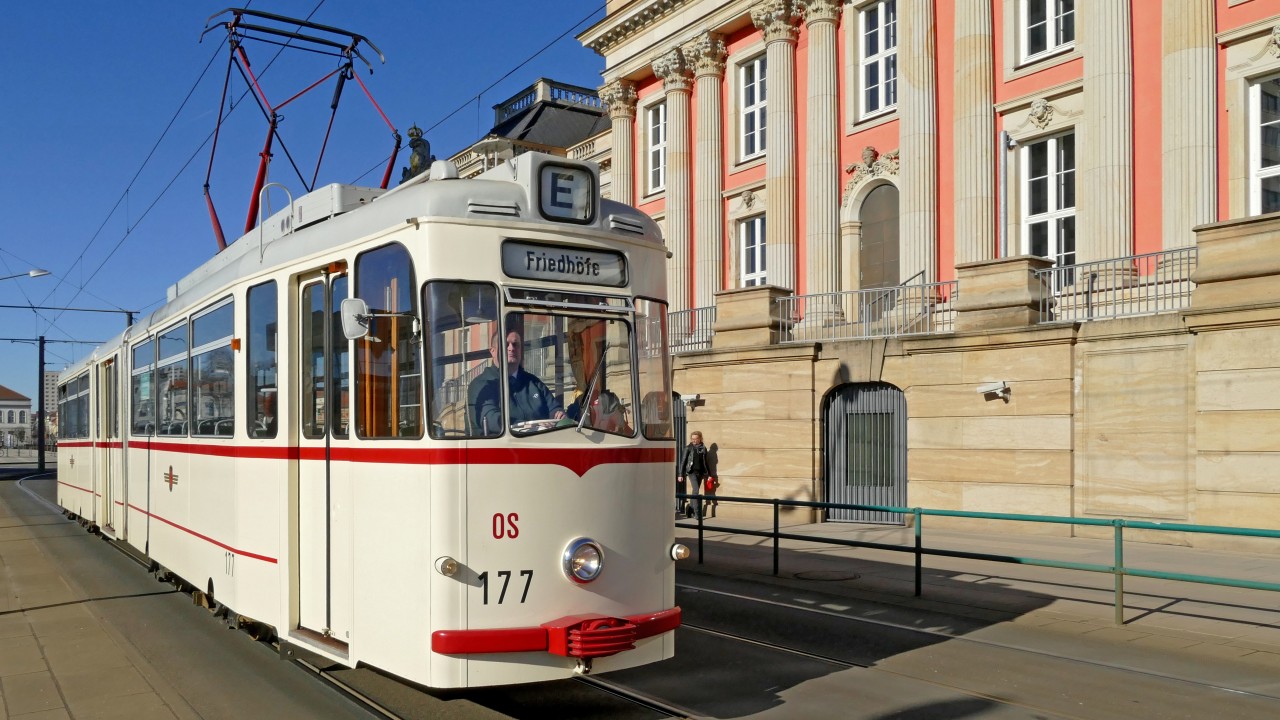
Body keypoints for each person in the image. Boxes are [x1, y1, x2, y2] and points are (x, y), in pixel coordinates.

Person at [469, 327, 565, 434]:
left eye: (516, 345)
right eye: (506, 345)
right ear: (493, 351)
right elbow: (491, 419)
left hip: (541, 444)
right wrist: (529, 426)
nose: (511, 348)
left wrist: (558, 414)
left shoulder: (533, 382)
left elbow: (554, 408)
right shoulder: (481, 385)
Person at [678, 430, 710, 518]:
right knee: (696, 491)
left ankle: (689, 511)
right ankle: (697, 513)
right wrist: (680, 474)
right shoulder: (688, 448)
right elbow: (683, 462)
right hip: (691, 472)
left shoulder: (703, 448)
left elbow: (705, 463)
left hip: (700, 473)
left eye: (696, 439)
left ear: (700, 439)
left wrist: (708, 474)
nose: (694, 441)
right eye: (692, 439)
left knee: (694, 492)